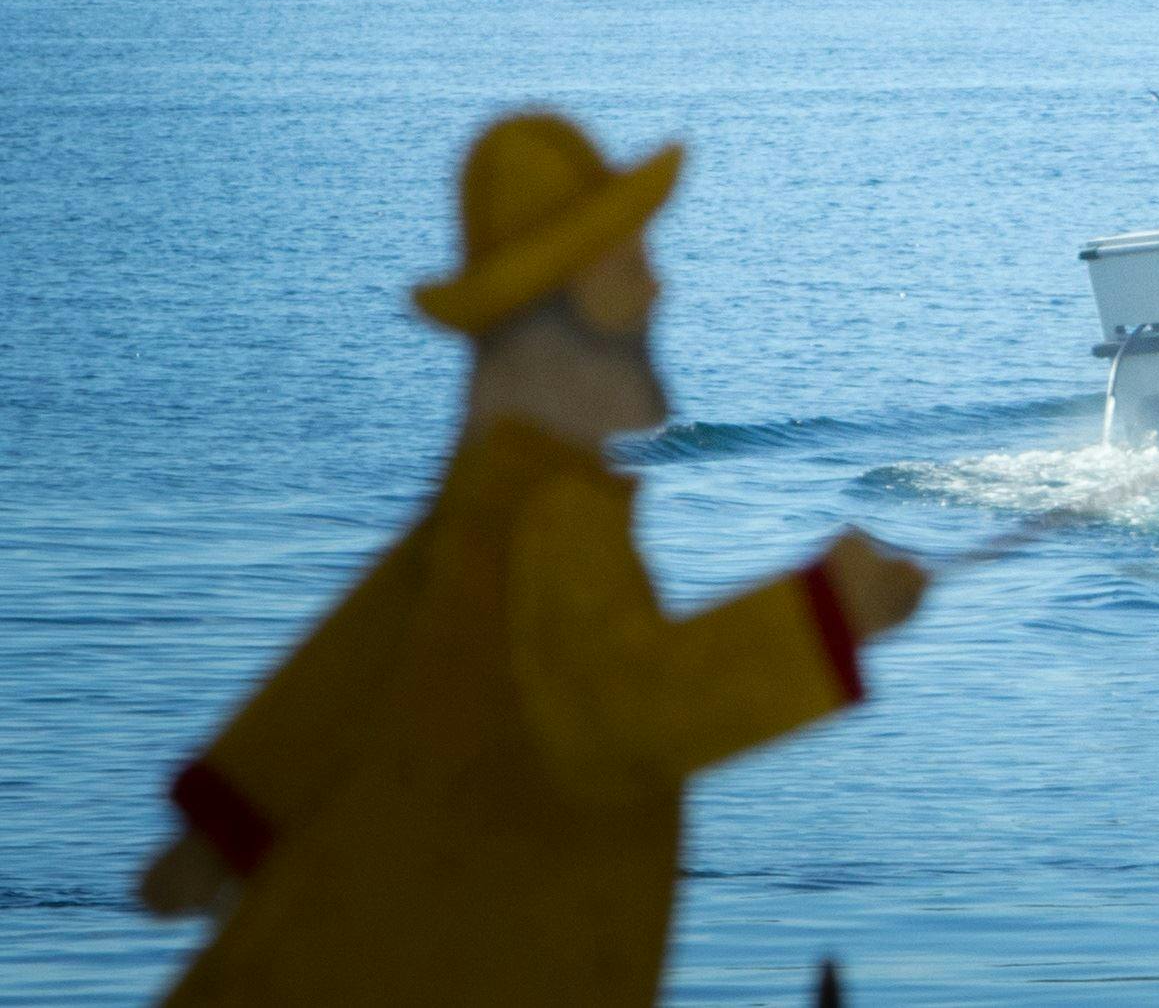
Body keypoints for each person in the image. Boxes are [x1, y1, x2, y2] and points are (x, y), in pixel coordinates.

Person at [136, 113, 930, 1008]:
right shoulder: (553, 514)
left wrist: (228, 824)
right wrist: (828, 611)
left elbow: (355, 656)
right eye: (628, 266)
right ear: (564, 306)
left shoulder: (487, 500)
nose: (658, 289)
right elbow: (620, 717)